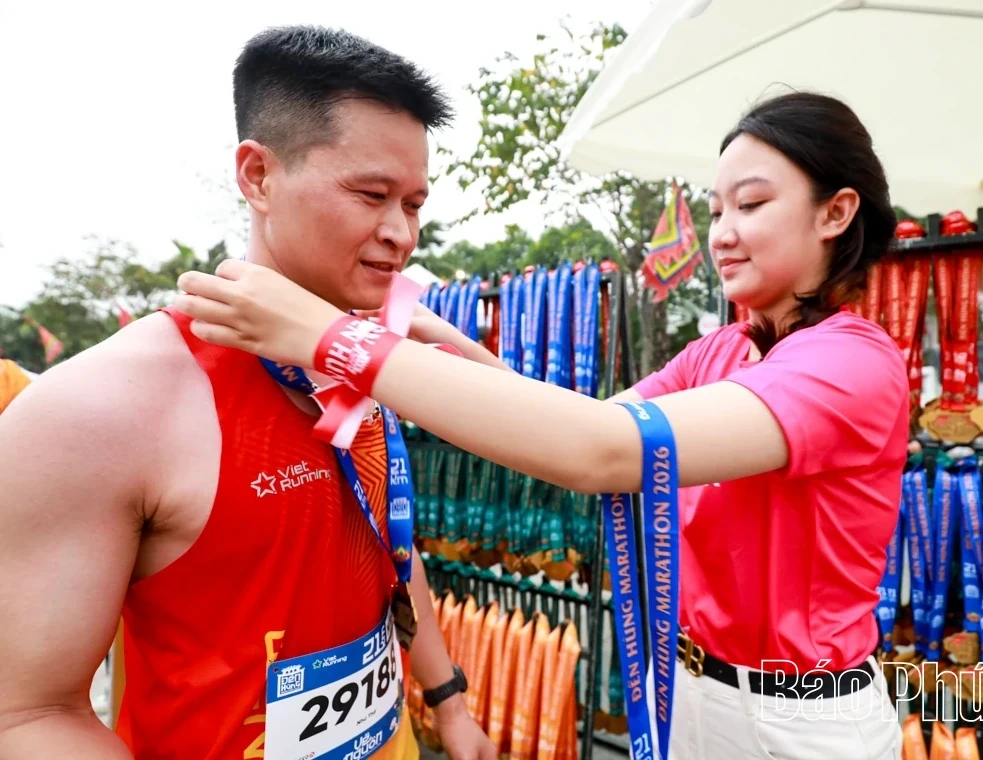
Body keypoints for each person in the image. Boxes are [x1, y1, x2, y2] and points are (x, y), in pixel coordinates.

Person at [173, 91, 910, 759]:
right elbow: (581, 425)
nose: (722, 234)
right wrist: (454, 349)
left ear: (835, 213)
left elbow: (606, 453)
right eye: (715, 211)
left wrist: (331, 338)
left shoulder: (850, 365)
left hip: (796, 724)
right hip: (693, 693)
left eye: (749, 206)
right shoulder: (723, 348)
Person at [0, 26, 496, 760]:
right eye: (371, 195)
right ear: (258, 176)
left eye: (415, 204)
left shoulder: (373, 364)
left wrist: (448, 701)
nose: (400, 234)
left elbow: (387, 542)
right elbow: (27, 714)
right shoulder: (101, 407)